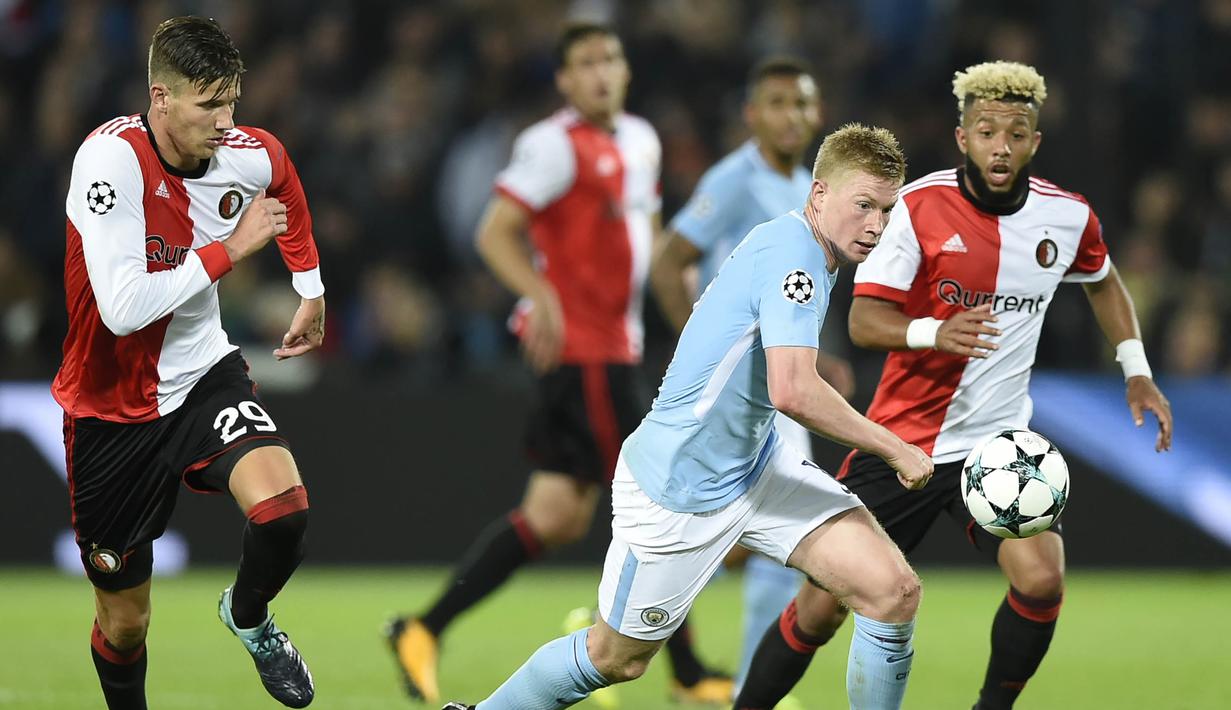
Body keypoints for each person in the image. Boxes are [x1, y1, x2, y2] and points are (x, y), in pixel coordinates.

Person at [442, 123, 934, 710]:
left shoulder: (809, 248)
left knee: (892, 591)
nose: (876, 226)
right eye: (863, 206)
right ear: (820, 193)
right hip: (680, 489)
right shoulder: (795, 255)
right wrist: (893, 446)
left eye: (886, 209)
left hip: (755, 470)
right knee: (614, 658)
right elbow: (793, 391)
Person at [734, 61, 1174, 710]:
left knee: (1041, 576)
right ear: (962, 136)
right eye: (987, 130)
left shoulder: (1066, 217)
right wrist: (930, 333)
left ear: (1034, 143)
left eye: (1016, 133)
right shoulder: (913, 207)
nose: (1001, 145)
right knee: (820, 609)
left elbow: (1102, 279)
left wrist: (1135, 369)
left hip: (995, 449)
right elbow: (862, 319)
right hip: (899, 443)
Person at [386, 22, 732, 705]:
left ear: (625, 70)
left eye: (611, 59)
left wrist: (687, 305)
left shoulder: (640, 139)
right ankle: (689, 676)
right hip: (583, 355)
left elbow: (648, 238)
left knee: (555, 514)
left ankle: (421, 628)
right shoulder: (550, 145)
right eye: (586, 64)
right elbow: (494, 232)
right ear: (565, 81)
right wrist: (539, 293)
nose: (601, 72)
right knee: (660, 499)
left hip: (617, 346)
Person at [52, 16, 326, 710]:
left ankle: (250, 616)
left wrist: (310, 289)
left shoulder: (246, 152)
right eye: (209, 104)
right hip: (110, 410)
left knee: (283, 509)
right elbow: (122, 308)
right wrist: (230, 251)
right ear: (161, 98)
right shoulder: (109, 163)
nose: (225, 120)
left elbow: (284, 182)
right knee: (125, 623)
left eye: (232, 100)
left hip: (203, 374)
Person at [649, 56, 855, 693]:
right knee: (780, 535)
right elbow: (667, 261)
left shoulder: (810, 187)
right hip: (745, 389)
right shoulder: (735, 180)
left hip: (782, 383)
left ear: (817, 114)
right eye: (776, 104)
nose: (790, 116)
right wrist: (704, 355)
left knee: (741, 538)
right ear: (751, 114)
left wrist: (819, 354)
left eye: (801, 104)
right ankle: (749, 693)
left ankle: (734, 685)